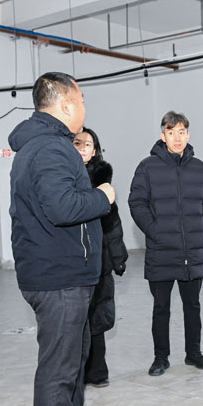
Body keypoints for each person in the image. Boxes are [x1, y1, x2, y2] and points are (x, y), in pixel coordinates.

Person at [9, 72, 115, 406]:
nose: (84, 107)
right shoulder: (50, 149)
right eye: (81, 99)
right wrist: (102, 196)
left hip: (64, 272)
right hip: (58, 277)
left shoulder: (44, 145)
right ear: (66, 104)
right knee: (59, 364)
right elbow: (62, 208)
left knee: (76, 353)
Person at [128, 111, 203, 376]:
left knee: (193, 305)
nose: (177, 138)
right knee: (161, 307)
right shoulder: (147, 167)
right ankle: (160, 357)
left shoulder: (199, 167)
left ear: (188, 135)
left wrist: (202, 230)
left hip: (192, 250)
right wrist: (154, 232)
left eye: (181, 132)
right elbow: (137, 203)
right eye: (171, 132)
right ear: (162, 135)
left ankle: (193, 353)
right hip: (161, 250)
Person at [74, 127, 128, 388]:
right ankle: (76, 373)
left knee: (97, 317)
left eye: (88, 144)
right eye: (78, 143)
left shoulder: (103, 181)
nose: (83, 148)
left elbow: (112, 223)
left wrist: (118, 257)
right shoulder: (63, 177)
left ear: (95, 150)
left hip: (99, 259)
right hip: (73, 260)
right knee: (75, 320)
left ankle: (97, 372)